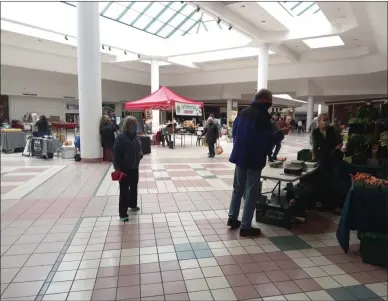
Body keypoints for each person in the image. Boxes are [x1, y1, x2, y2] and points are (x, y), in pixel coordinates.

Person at [228, 89, 289, 237]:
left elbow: (234, 133)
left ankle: (232, 218)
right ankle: (246, 226)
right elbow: (265, 141)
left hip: (240, 156)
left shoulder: (243, 113)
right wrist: (281, 134)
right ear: (263, 99)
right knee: (251, 192)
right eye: (269, 100)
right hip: (254, 159)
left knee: (238, 188)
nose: (271, 103)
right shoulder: (263, 117)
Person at [311, 113, 343, 213]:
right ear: (318, 121)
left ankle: (336, 205)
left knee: (335, 180)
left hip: (335, 157)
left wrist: (339, 146)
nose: (325, 122)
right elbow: (315, 146)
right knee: (323, 180)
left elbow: (340, 141)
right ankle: (322, 202)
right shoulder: (315, 132)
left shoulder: (332, 130)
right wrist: (314, 157)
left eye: (327, 120)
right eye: (323, 120)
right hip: (323, 157)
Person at [113, 116, 143, 221]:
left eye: (135, 124)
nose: (134, 126)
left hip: (135, 167)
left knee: (134, 187)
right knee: (124, 191)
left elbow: (140, 148)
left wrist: (140, 154)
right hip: (124, 168)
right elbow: (116, 154)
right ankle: (123, 213)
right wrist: (117, 168)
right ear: (127, 125)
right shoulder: (121, 137)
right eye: (132, 124)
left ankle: (133, 204)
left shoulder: (136, 137)